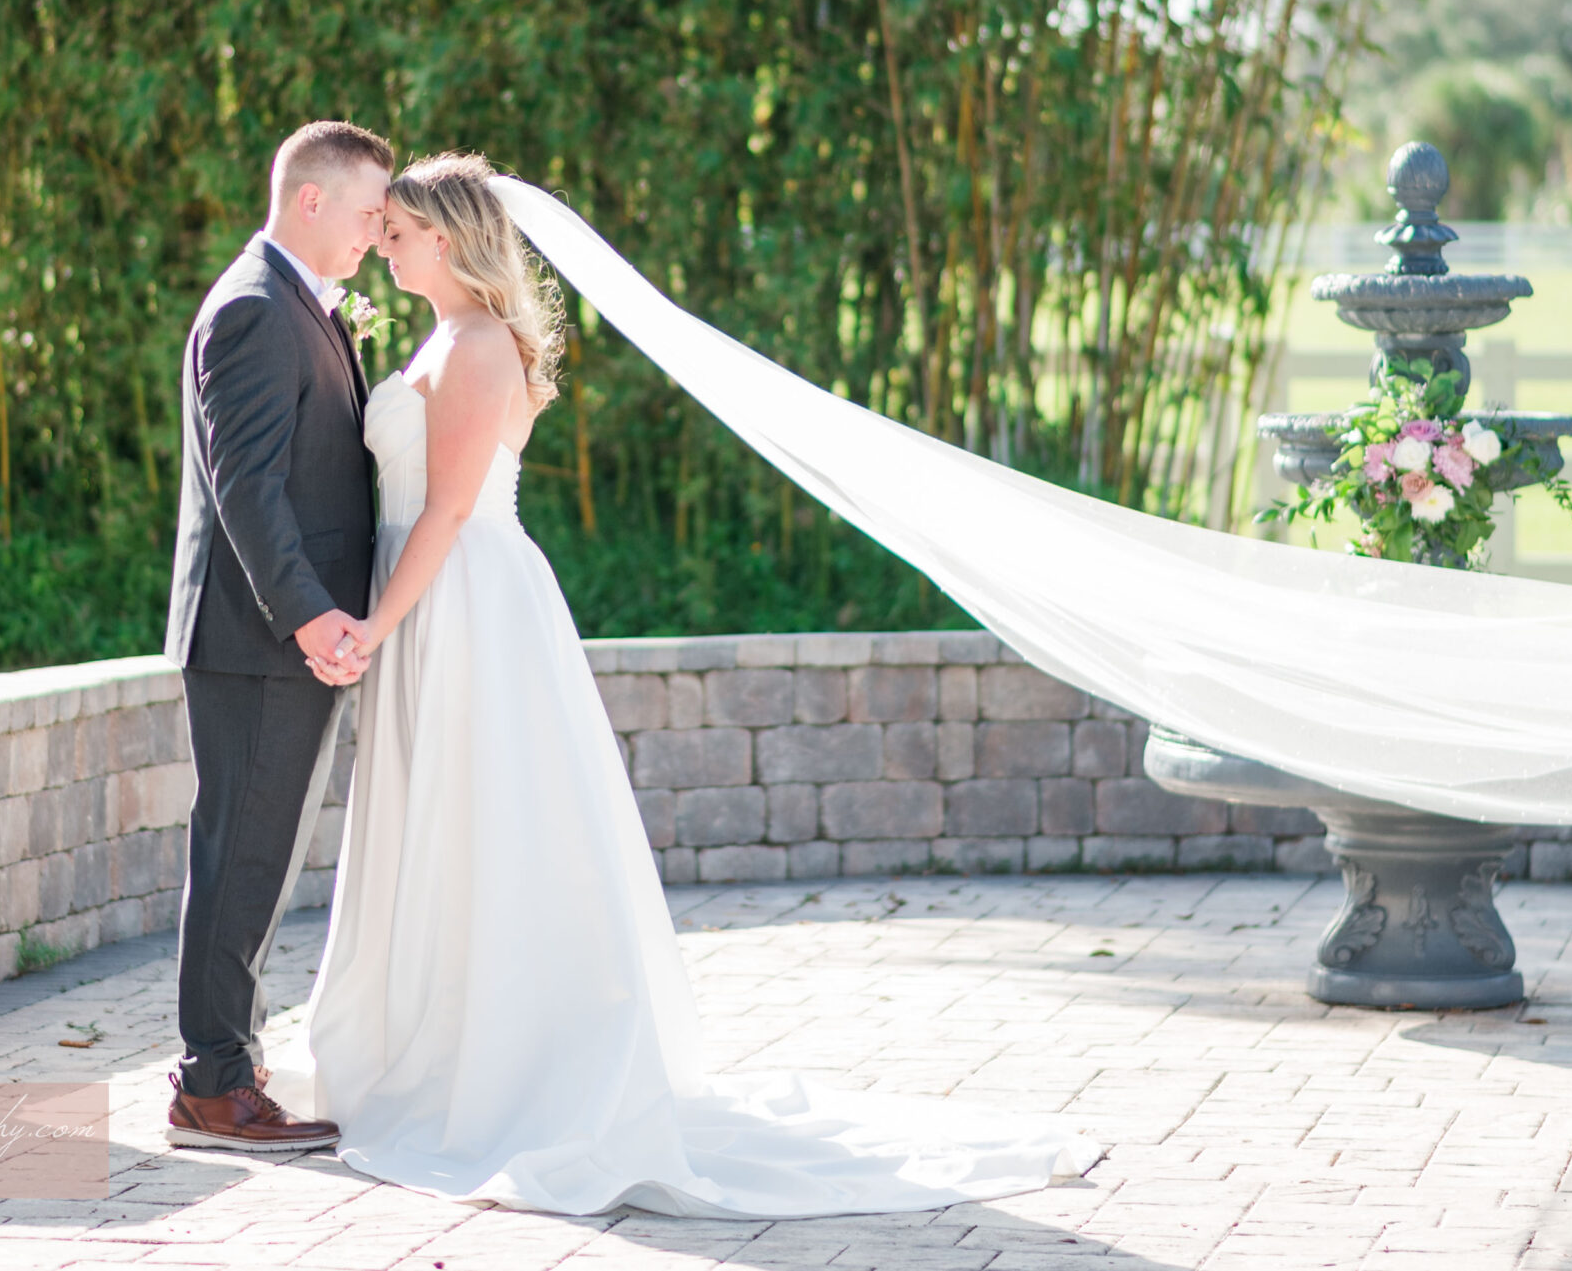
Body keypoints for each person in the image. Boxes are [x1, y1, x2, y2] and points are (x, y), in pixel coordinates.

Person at [291, 151, 1096, 1216]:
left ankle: (497, 1064)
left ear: (447, 236)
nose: (383, 240)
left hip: (462, 601)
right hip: (427, 601)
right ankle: (422, 1041)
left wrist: (375, 625)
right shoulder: (442, 338)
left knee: (487, 823)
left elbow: (444, 510)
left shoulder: (480, 345)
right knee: (435, 826)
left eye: (398, 228)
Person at [161, 119, 392, 1151]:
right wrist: (308, 616)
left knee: (259, 856)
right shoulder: (256, 308)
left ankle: (230, 1062)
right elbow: (246, 490)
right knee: (242, 856)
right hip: (260, 639)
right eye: (365, 213)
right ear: (311, 200)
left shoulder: (298, 301)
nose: (374, 234)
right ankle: (211, 1085)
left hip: (284, 638)